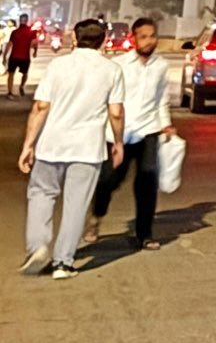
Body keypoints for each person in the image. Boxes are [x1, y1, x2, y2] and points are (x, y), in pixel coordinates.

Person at [17, 15, 123, 279]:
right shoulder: (112, 70)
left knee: (41, 194)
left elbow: (41, 106)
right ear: (103, 41)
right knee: (77, 204)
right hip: (88, 148)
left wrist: (28, 144)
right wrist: (118, 142)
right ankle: (63, 263)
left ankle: (38, 247)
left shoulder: (57, 66)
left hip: (52, 144)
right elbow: (116, 112)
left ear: (74, 38)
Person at [84, 16, 178, 251]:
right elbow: (105, 97)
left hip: (148, 130)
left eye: (152, 36)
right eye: (143, 37)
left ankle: (144, 234)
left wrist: (165, 124)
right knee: (108, 180)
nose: (149, 41)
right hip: (119, 134)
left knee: (147, 181)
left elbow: (161, 98)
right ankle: (96, 216)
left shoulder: (160, 66)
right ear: (133, 38)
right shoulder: (119, 65)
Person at [4, 14, 33, 98]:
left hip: (16, 57)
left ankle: (12, 91)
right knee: (23, 73)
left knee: (12, 74)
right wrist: (35, 51)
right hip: (22, 57)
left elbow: (9, 44)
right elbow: (35, 43)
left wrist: (5, 55)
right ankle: (17, 88)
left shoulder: (16, 32)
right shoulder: (29, 32)